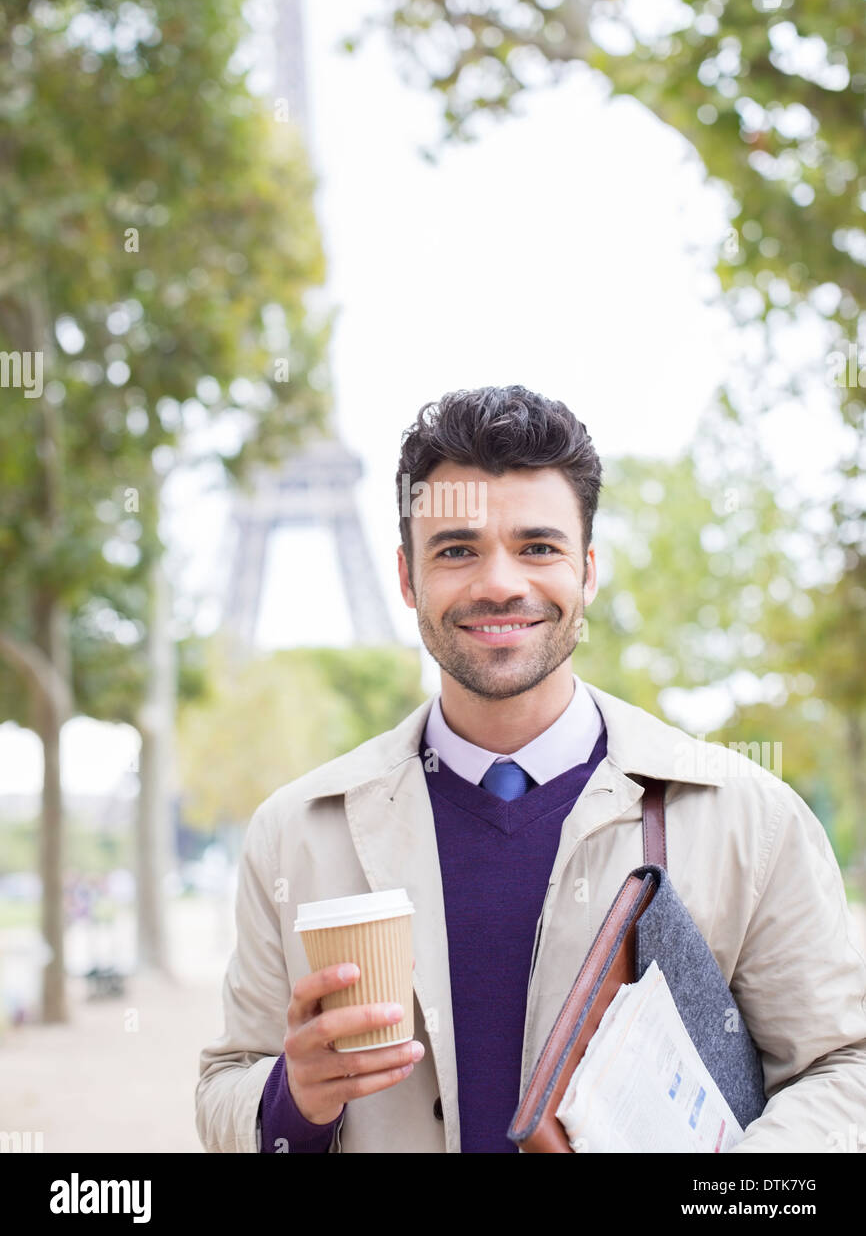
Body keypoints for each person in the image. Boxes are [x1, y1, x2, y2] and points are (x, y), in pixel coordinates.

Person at [196, 385, 866, 1153]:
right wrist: (292, 1098)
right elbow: (225, 1083)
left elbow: (844, 1068)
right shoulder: (296, 834)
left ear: (586, 571)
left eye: (537, 547)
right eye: (457, 550)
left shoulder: (751, 818)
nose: (499, 583)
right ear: (409, 578)